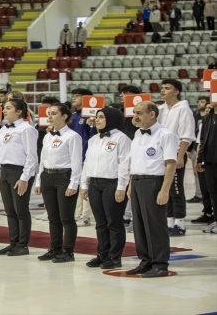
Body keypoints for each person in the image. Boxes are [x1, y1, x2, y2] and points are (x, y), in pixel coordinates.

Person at [126, 101, 178, 278]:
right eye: (134, 112)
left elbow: (171, 164)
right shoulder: (137, 134)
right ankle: (146, 260)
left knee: (155, 225)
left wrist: (164, 190)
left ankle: (160, 264)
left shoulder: (166, 134)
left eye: (139, 113)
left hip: (154, 182)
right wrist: (132, 184)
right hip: (138, 181)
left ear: (152, 114)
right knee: (140, 225)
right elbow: (135, 162)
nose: (136, 116)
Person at [80, 107, 131, 270]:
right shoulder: (94, 139)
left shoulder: (122, 139)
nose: (97, 120)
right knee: (100, 222)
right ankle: (102, 254)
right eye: (97, 117)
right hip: (95, 183)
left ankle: (115, 257)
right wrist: (84, 184)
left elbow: (125, 164)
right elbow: (87, 163)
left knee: (113, 222)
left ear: (112, 119)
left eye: (101, 117)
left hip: (113, 183)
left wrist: (122, 186)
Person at [34, 103, 83, 263]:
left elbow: (76, 162)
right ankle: (55, 248)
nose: (49, 116)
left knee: (66, 217)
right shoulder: (48, 136)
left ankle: (68, 250)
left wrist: (73, 184)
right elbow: (42, 160)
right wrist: (39, 180)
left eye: (54, 113)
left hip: (64, 177)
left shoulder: (72, 136)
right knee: (53, 217)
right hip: (48, 176)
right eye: (49, 113)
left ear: (64, 117)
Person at [0, 99, 38, 256]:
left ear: (19, 111)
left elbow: (32, 156)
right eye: (4, 108)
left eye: (8, 108)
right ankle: (13, 242)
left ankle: (23, 244)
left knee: (21, 209)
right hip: (5, 169)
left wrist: (25, 177)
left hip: (19, 171)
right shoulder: (3, 129)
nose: (4, 111)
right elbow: (0, 155)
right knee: (9, 209)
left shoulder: (26, 129)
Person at [158, 79, 195, 236]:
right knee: (165, 188)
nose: (163, 90)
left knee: (176, 189)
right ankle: (169, 222)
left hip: (175, 154)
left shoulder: (183, 109)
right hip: (160, 155)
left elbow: (186, 135)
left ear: (176, 91)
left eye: (167, 88)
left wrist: (180, 157)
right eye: (162, 88)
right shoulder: (160, 109)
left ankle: (180, 224)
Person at [69, 88, 97, 227]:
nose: (74, 98)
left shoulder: (91, 117)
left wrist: (86, 156)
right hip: (73, 156)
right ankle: (78, 213)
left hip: (85, 155)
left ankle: (85, 216)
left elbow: (92, 138)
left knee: (85, 184)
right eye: (73, 96)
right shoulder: (73, 116)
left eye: (78, 96)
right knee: (76, 184)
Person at [196, 103, 217, 234]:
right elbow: (203, 140)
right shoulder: (207, 118)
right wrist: (199, 158)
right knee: (213, 193)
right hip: (209, 160)